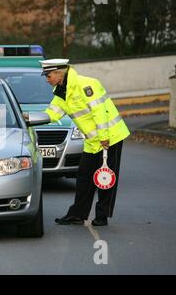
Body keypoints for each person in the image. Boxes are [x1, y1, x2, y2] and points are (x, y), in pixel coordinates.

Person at [41, 59, 130, 226]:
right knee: (84, 177)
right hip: (92, 140)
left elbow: (99, 112)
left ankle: (102, 216)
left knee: (106, 177)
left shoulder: (87, 85)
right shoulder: (61, 91)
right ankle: (77, 214)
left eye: (48, 75)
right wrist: (28, 119)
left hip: (110, 136)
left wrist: (104, 137)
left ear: (60, 73)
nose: (47, 79)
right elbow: (52, 113)